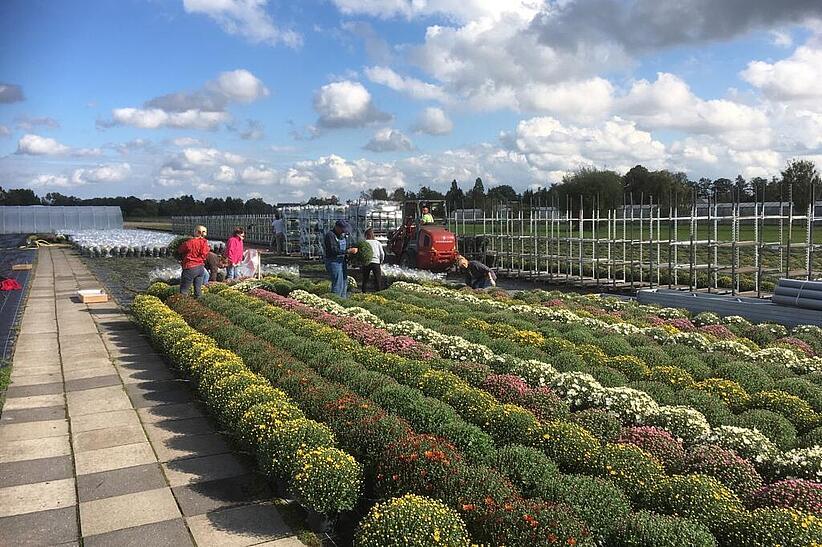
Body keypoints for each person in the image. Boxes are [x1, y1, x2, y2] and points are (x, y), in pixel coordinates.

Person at [323, 219, 358, 297]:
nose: (344, 231)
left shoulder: (342, 236)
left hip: (342, 262)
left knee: (344, 283)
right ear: (337, 227)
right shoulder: (330, 235)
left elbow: (346, 247)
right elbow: (333, 250)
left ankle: (343, 301)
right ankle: (335, 300)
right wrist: (348, 251)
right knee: (337, 284)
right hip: (333, 262)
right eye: (342, 229)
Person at [178, 225, 210, 297]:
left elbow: (180, 250)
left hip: (190, 267)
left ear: (196, 232)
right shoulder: (205, 242)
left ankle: (183, 305)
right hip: (200, 268)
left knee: (184, 291)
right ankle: (200, 305)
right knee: (198, 291)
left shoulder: (190, 242)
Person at [361, 228, 385, 292]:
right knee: (378, 279)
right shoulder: (377, 243)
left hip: (366, 262)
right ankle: (378, 292)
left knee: (365, 279)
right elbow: (382, 253)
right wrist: (381, 261)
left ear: (366, 235)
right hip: (376, 262)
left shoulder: (364, 242)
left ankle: (363, 292)